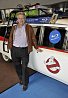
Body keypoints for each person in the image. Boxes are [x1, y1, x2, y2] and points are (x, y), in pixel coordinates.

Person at [8, 12, 42, 91]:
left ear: (25, 19)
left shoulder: (29, 27)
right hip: (14, 50)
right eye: (19, 18)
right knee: (17, 67)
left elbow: (33, 38)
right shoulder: (14, 27)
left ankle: (25, 83)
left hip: (24, 50)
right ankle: (21, 79)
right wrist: (10, 46)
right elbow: (10, 37)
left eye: (22, 18)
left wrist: (36, 47)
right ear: (17, 19)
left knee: (24, 68)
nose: (21, 20)